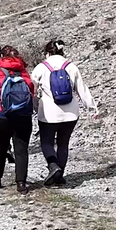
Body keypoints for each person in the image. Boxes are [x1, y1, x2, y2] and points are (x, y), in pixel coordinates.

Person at [30, 40, 98, 186]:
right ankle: (60, 175)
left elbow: (32, 90)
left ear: (47, 53)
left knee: (47, 143)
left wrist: (35, 106)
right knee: (63, 144)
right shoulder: (71, 67)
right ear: (62, 52)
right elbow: (82, 89)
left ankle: (53, 166)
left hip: (48, 113)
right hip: (70, 113)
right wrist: (92, 108)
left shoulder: (41, 68)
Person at [0, 45, 36, 194]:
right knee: (21, 149)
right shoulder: (23, 71)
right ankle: (21, 183)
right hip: (22, 114)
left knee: (0, 147)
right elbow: (30, 89)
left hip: (2, 115)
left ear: (2, 56)